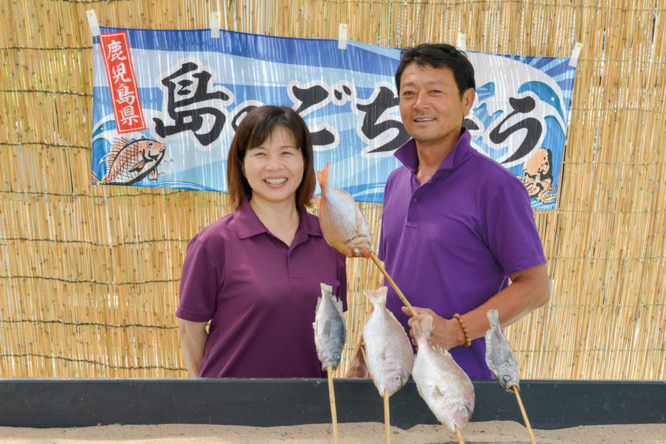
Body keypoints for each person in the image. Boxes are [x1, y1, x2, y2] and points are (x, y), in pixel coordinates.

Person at [348, 43, 550, 380]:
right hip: (394, 376)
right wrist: (367, 344)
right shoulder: (396, 182)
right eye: (409, 93)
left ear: (467, 100)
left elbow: (535, 287)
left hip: (461, 381)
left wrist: (457, 331)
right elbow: (393, 276)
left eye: (435, 91)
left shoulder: (496, 185)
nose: (420, 104)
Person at [177, 105, 347, 378]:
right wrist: (211, 398)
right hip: (232, 411)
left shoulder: (330, 240)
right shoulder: (213, 243)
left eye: (287, 153)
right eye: (260, 154)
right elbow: (189, 330)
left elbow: (331, 327)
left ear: (305, 161)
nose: (274, 166)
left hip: (311, 411)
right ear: (242, 165)